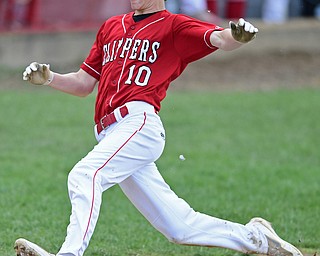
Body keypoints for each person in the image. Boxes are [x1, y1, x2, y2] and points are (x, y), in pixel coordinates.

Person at [15, 0, 303, 256]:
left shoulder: (173, 25)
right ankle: (256, 238)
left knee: (84, 174)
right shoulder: (111, 27)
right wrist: (50, 78)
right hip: (110, 133)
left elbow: (219, 38)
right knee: (179, 228)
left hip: (138, 124)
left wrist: (237, 37)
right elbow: (82, 84)